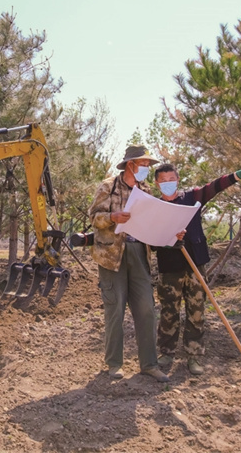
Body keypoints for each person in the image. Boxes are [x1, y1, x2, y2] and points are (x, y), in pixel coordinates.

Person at [153, 161, 241, 374]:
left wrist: (239, 173)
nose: (167, 184)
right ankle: (166, 353)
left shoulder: (192, 197)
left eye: (171, 180)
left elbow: (216, 186)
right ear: (156, 184)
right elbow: (151, 239)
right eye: (163, 181)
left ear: (178, 180)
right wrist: (168, 240)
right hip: (169, 267)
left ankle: (194, 355)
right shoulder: (155, 207)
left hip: (195, 265)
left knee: (196, 311)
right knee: (168, 312)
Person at [88, 145, 169, 383]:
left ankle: (149, 364)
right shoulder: (108, 186)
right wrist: (112, 217)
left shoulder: (145, 191)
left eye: (147, 165)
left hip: (139, 254)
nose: (146, 169)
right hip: (112, 255)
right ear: (130, 165)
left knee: (146, 308)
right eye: (143, 164)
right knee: (115, 310)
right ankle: (114, 364)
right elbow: (94, 217)